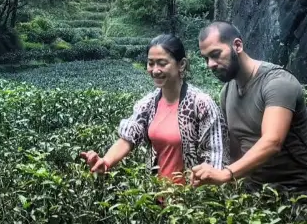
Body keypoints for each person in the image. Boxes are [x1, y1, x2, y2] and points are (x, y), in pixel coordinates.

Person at [191, 21, 307, 199]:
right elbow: (235, 147)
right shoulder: (226, 93)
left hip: (295, 195)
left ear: (237, 45)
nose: (210, 64)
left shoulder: (277, 83)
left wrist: (226, 174)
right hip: (252, 193)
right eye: (206, 58)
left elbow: (272, 142)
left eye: (216, 54)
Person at [80, 33, 229, 184]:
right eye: (151, 63)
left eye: (162, 63)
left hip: (190, 201)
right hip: (155, 198)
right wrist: (105, 162)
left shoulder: (201, 104)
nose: (155, 70)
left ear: (181, 64)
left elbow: (215, 157)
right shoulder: (148, 103)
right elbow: (129, 137)